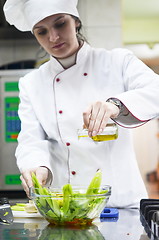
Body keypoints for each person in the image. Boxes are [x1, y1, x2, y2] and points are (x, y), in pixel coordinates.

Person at [3, 0, 159, 208]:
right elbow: (31, 140)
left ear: (75, 21)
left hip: (119, 202)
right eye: (42, 32)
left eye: (60, 24)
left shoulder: (117, 62)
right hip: (66, 206)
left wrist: (116, 106)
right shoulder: (31, 84)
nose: (53, 37)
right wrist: (37, 167)